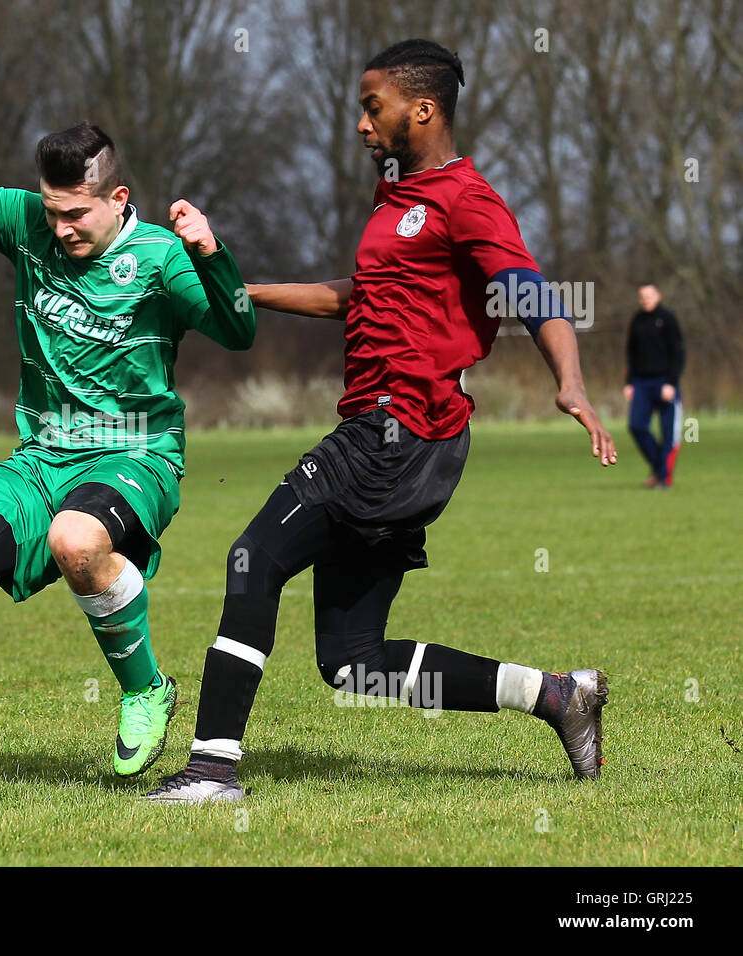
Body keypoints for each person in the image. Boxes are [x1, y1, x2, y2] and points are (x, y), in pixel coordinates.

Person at [145, 39, 617, 805]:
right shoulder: (394, 197)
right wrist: (245, 290)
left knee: (251, 558)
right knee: (351, 659)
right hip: (401, 440)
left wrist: (571, 383)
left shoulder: (466, 199)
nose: (363, 125)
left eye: (375, 108)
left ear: (421, 109)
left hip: (396, 433)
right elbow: (358, 294)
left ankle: (211, 770)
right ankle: (560, 697)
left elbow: (532, 294)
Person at [0, 111, 255, 802]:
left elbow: (237, 328)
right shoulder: (28, 225)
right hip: (40, 457)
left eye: (76, 214)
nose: (61, 228)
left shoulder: (161, 258)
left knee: (76, 541)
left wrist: (212, 254)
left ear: (118, 199)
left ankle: (146, 689)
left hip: (137, 455)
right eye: (52, 211)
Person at [624, 283, 684, 488]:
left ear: (658, 295)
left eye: (649, 295)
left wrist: (671, 383)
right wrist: (629, 382)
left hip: (665, 382)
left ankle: (664, 479)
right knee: (636, 426)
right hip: (641, 382)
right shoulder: (637, 320)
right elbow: (631, 352)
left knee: (669, 434)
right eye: (642, 296)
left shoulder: (667, 318)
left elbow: (678, 352)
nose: (645, 299)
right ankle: (659, 467)